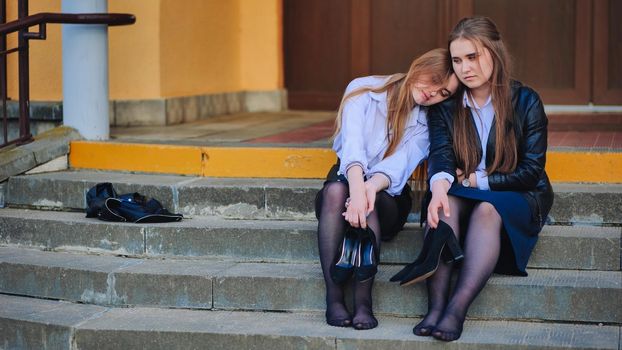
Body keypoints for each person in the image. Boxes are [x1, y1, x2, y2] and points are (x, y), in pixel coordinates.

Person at [392, 17, 554, 341]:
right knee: (445, 204)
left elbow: (530, 172)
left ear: (494, 53)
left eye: (473, 56)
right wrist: (438, 189)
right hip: (462, 191)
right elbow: (441, 156)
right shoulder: (446, 106)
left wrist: (476, 181)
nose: (465, 67)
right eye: (457, 60)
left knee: (486, 210)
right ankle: (435, 307)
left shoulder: (526, 101)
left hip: (517, 195)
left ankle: (456, 309)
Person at [315, 48, 459, 330]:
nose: (434, 93)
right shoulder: (363, 90)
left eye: (444, 93)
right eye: (434, 80)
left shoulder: (426, 123)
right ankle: (334, 297)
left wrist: (367, 190)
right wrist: (356, 190)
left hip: (390, 195)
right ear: (420, 66)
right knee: (335, 191)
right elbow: (352, 147)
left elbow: (397, 167)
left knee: (369, 202)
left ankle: (363, 301)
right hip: (348, 176)